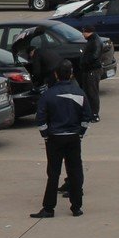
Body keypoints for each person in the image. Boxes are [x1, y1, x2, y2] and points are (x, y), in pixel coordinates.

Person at [32, 62, 88, 219]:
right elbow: (86, 116)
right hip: (73, 138)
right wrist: (80, 133)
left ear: (56, 75)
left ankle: (49, 208)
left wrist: (46, 135)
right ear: (71, 73)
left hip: (54, 139)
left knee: (53, 173)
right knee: (75, 172)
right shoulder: (79, 92)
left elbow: (40, 119)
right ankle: (76, 207)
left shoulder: (48, 94)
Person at [77, 26, 103, 122]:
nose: (82, 34)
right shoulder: (91, 40)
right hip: (88, 70)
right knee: (87, 92)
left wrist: (85, 61)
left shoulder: (95, 41)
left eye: (83, 32)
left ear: (88, 32)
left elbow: (95, 56)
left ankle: (95, 114)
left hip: (92, 71)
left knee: (92, 93)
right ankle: (89, 113)